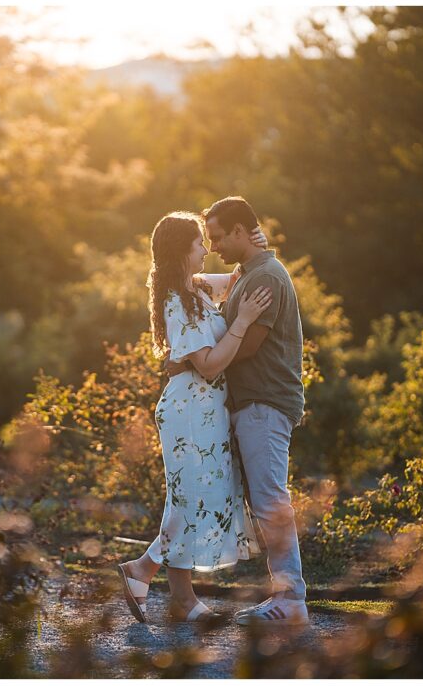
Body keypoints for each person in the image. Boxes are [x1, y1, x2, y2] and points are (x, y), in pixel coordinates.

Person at [116, 211, 270, 623]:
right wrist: (241, 323)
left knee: (191, 499)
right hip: (188, 413)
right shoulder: (176, 301)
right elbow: (208, 365)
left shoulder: (195, 289)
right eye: (200, 243)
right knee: (188, 500)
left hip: (205, 413)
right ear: (182, 251)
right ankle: (175, 594)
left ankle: (143, 572)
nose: (207, 249)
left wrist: (258, 241)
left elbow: (237, 280)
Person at [200, 195, 309, 626]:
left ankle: (292, 601)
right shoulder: (249, 271)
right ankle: (284, 597)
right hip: (253, 403)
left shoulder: (267, 278)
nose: (214, 245)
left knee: (270, 501)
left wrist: (203, 357)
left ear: (242, 233)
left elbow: (248, 346)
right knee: (265, 499)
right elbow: (223, 280)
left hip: (265, 403)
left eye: (219, 237)